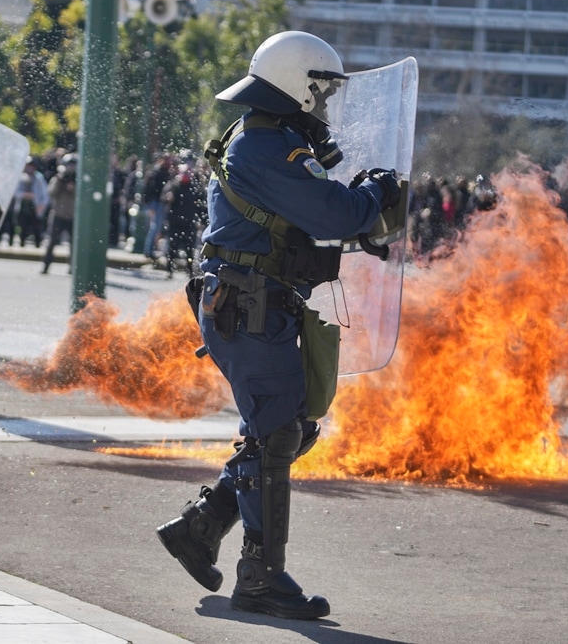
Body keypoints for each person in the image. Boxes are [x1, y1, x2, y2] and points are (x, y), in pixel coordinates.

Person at [155, 31, 400, 621]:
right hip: (248, 305)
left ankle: (202, 526)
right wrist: (374, 195)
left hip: (257, 303)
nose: (326, 105)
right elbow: (332, 213)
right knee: (277, 435)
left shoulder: (271, 139)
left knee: (286, 428)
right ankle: (260, 578)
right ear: (300, 87)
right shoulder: (267, 146)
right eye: (323, 92)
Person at [41, 153, 76, 275]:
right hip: (58, 214)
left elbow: (83, 197)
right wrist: (61, 183)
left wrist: (73, 188)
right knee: (52, 242)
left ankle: (73, 267)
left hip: (72, 216)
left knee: (74, 244)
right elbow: (51, 193)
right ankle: (46, 265)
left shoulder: (79, 179)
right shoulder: (58, 178)